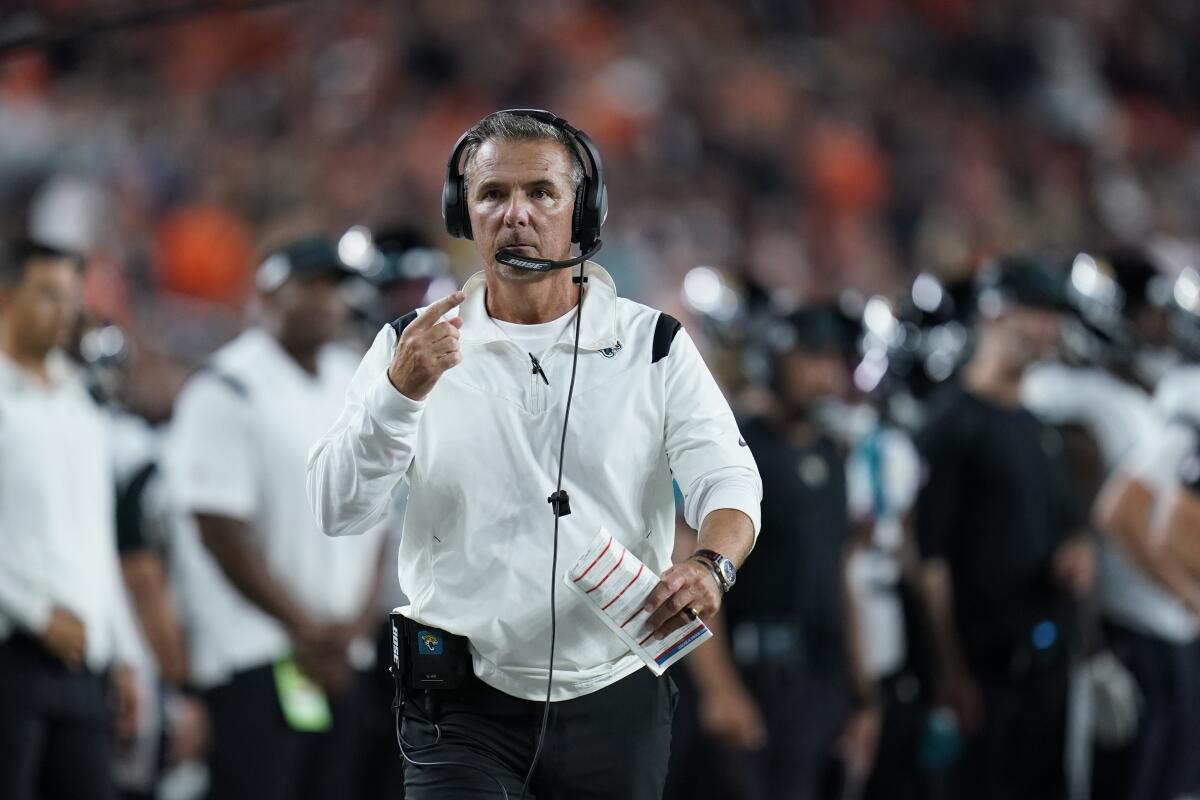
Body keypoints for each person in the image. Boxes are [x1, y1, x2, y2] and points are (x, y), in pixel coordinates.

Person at [307, 109, 763, 799]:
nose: (514, 214)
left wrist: (710, 564)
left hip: (615, 692)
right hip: (460, 707)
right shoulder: (412, 344)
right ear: (464, 212)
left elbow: (728, 479)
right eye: (492, 194)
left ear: (582, 208)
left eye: (541, 193)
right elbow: (336, 509)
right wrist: (400, 392)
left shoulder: (654, 344)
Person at [164, 235, 389, 800]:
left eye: (336, 287)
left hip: (342, 656)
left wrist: (353, 627)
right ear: (267, 292)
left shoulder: (354, 378)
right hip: (256, 652)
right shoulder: (227, 385)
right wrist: (305, 628)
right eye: (309, 285)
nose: (326, 301)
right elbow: (219, 530)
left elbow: (380, 511)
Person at [667, 304, 881, 800]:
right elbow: (689, 567)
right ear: (772, 359)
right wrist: (720, 688)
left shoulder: (831, 454)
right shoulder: (732, 446)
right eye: (811, 358)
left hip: (817, 681)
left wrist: (862, 691)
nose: (827, 375)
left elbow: (840, 573)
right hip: (751, 673)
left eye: (833, 360)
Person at [915, 255, 1095, 800]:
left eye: (1053, 315)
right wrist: (950, 673)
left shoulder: (1036, 425)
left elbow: (1067, 529)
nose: (1048, 328)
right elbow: (929, 561)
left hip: (1046, 666)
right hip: (986, 671)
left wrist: (1077, 552)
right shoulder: (952, 422)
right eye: (1035, 312)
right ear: (993, 313)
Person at [0, 237, 141, 800]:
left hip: (86, 660)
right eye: (48, 296)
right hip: (14, 653)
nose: (65, 314)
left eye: (70, 299)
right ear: (7, 297)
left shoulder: (80, 403)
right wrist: (35, 614)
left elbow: (96, 535)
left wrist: (124, 650)